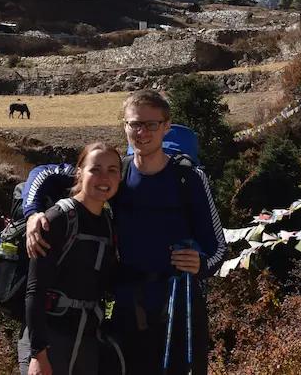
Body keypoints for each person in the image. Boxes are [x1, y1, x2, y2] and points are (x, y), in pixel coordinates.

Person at [24, 90, 227, 374]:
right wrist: (32, 214)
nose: (142, 132)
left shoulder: (189, 177)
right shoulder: (117, 174)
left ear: (167, 126)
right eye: (135, 124)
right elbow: (44, 173)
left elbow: (218, 247)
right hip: (128, 310)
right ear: (125, 127)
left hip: (179, 308)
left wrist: (201, 264)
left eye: (152, 124)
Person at [18, 141, 121, 375]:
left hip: (86, 340)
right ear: (79, 173)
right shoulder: (56, 220)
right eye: (95, 169)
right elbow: (34, 291)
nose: (104, 177)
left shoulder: (107, 223)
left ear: (120, 178)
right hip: (49, 341)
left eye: (112, 170)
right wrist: (37, 355)